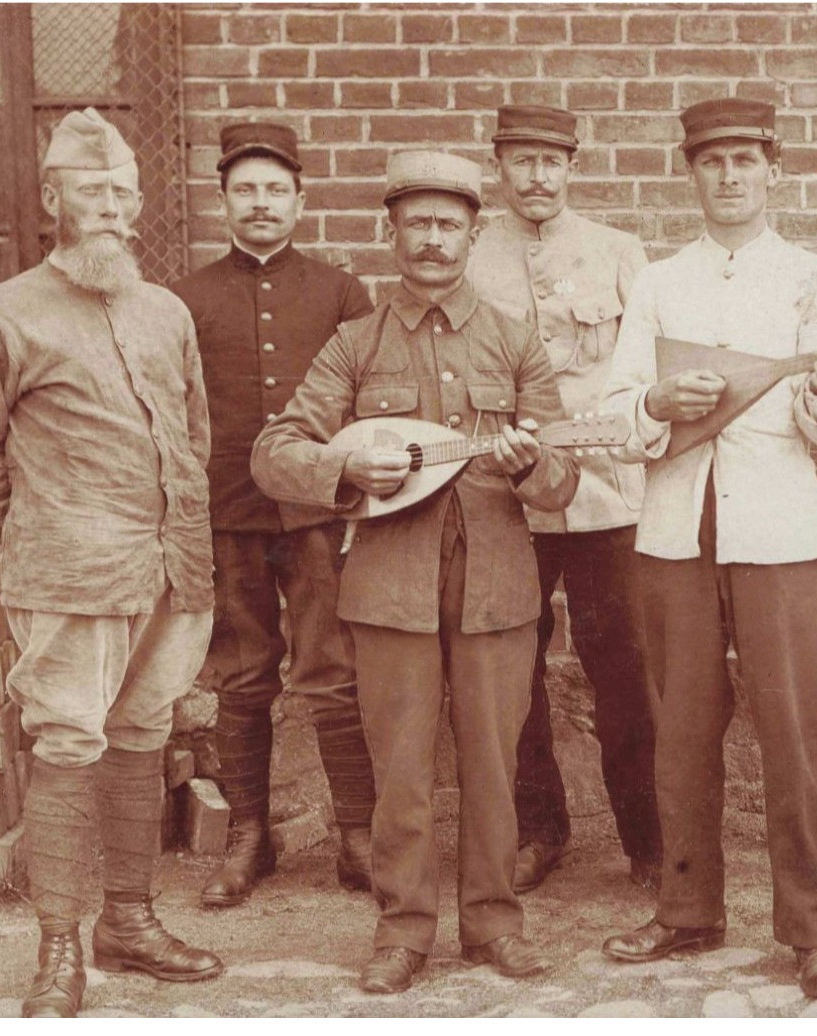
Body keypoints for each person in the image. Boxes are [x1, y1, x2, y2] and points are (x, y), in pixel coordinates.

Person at [249, 151, 579, 995]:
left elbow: (566, 475)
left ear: (474, 234)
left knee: (492, 765)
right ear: (389, 232)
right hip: (389, 590)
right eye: (417, 223)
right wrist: (348, 471)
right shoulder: (354, 343)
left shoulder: (512, 340)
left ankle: (493, 924)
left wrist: (527, 464)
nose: (432, 239)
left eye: (449, 224)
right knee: (400, 769)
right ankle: (401, 933)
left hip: (497, 585)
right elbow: (274, 452)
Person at [0, 108, 222, 1018]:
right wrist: (47, 528)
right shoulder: (4, 313)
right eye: (89, 191)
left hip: (173, 570)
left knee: (142, 734)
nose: (109, 207)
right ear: (52, 198)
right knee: (66, 742)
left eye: (122, 192)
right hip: (69, 578)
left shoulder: (165, 310)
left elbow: (196, 435)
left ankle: (127, 923)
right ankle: (59, 948)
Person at [599, 98, 817, 1000]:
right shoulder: (659, 281)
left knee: (791, 733)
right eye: (710, 161)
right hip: (675, 532)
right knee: (678, 732)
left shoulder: (812, 278)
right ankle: (687, 911)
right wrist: (653, 408)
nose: (728, 176)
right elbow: (615, 407)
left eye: (744, 160)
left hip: (777, 533)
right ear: (691, 173)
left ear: (771, 171)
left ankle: (812, 933)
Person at [170, 122, 377, 908]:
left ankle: (357, 836)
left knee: (332, 672)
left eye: (275, 190)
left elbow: (363, 398)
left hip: (318, 515)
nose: (261, 203)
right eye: (245, 190)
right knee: (243, 675)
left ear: (300, 200)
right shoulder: (185, 299)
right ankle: (250, 839)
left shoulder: (339, 292)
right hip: (229, 515)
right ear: (222, 200)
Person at [469, 105, 662, 894]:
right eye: (521, 161)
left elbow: (643, 369)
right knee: (512, 670)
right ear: (500, 168)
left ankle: (649, 839)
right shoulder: (471, 257)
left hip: (603, 494)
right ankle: (537, 830)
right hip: (505, 494)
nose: (537, 177)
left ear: (572, 167)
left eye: (552, 161)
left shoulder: (619, 253)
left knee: (623, 664)